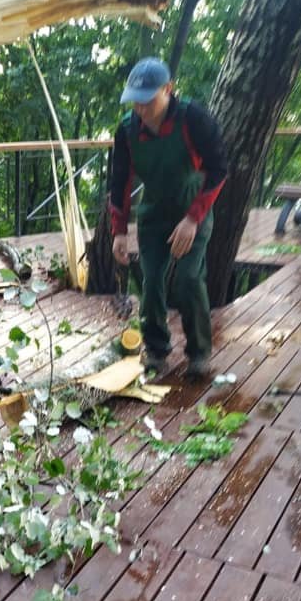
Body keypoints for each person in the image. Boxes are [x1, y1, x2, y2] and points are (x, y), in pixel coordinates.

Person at [110, 57, 227, 379]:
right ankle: (157, 351)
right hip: (154, 213)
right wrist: (119, 231)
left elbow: (219, 170)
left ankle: (199, 353)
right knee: (150, 283)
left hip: (193, 208)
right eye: (136, 101)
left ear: (168, 90)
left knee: (189, 278)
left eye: (147, 101)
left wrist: (193, 220)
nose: (141, 109)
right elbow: (119, 181)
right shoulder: (127, 129)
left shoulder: (194, 119)